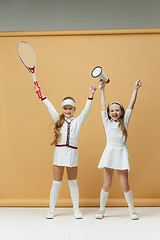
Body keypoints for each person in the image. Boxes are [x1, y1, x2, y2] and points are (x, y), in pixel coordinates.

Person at [35, 83, 96, 219]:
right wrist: (41, 95)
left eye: (70, 108)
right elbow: (49, 106)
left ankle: (76, 209)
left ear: (74, 109)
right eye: (65, 108)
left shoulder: (78, 121)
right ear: (62, 109)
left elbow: (87, 109)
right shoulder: (58, 119)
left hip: (72, 153)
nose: (67, 111)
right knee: (56, 182)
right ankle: (51, 209)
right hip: (59, 153)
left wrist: (91, 94)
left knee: (73, 182)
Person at [96, 79, 142, 220]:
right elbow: (103, 104)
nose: (114, 112)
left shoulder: (124, 122)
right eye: (112, 111)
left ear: (121, 112)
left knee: (125, 185)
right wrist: (102, 90)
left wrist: (135, 89)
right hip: (109, 153)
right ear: (109, 113)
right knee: (107, 185)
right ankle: (101, 209)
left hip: (121, 153)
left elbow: (131, 105)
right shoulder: (106, 122)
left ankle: (132, 210)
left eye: (117, 110)